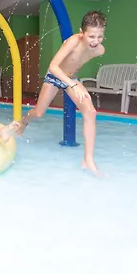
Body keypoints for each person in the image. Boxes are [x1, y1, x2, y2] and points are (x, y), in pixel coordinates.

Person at [17, 11, 106, 175]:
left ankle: (88, 159)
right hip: (55, 76)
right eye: (91, 36)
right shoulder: (73, 41)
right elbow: (53, 67)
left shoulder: (99, 50)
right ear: (81, 33)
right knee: (39, 113)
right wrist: (73, 84)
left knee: (90, 112)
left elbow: (77, 62)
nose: (96, 41)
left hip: (71, 79)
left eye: (100, 36)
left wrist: (75, 83)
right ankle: (23, 122)